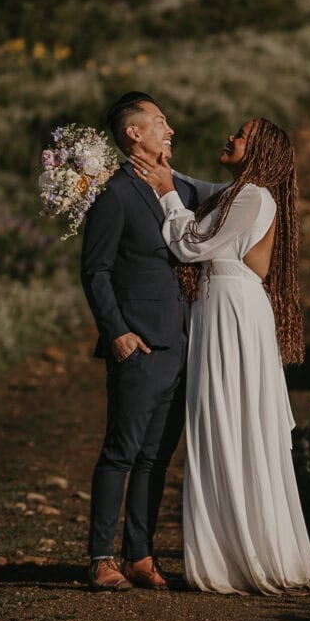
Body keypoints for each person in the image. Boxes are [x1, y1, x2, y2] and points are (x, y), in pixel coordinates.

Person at [131, 118, 310, 594]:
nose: (230, 137)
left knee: (227, 419)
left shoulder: (254, 197)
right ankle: (230, 550)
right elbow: (196, 188)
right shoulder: (236, 192)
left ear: (259, 150)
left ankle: (239, 557)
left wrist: (165, 194)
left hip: (230, 311)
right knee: (220, 421)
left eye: (241, 135)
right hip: (220, 307)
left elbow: (190, 245)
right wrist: (166, 173)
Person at [80, 92, 198, 592]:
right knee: (121, 452)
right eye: (160, 122)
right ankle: (102, 557)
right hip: (139, 346)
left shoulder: (175, 187)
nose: (168, 129)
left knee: (157, 457)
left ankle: (140, 555)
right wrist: (119, 333)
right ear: (134, 133)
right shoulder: (116, 194)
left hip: (179, 344)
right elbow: (96, 270)